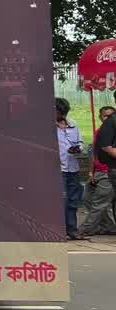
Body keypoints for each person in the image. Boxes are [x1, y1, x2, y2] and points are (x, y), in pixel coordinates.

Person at [81, 105, 116, 237]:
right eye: (105, 115)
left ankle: (85, 229)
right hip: (97, 171)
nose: (108, 118)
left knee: (100, 203)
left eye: (110, 115)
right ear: (100, 117)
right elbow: (93, 153)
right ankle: (109, 226)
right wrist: (91, 172)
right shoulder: (99, 132)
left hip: (109, 171)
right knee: (87, 198)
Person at [57, 98, 86, 239]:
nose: (61, 116)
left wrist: (78, 148)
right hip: (58, 169)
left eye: (63, 113)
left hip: (73, 167)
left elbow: (80, 142)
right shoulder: (47, 126)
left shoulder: (73, 124)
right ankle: (61, 229)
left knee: (73, 200)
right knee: (62, 199)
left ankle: (72, 229)